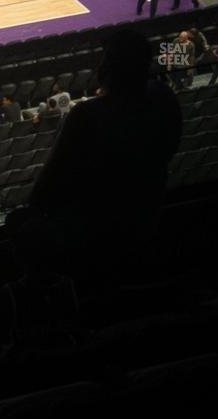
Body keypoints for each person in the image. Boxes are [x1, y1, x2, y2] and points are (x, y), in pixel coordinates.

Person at [26, 30, 183, 286]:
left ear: (110, 68)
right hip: (145, 218)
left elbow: (45, 189)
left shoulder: (87, 114)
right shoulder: (165, 98)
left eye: (106, 59)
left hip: (90, 231)